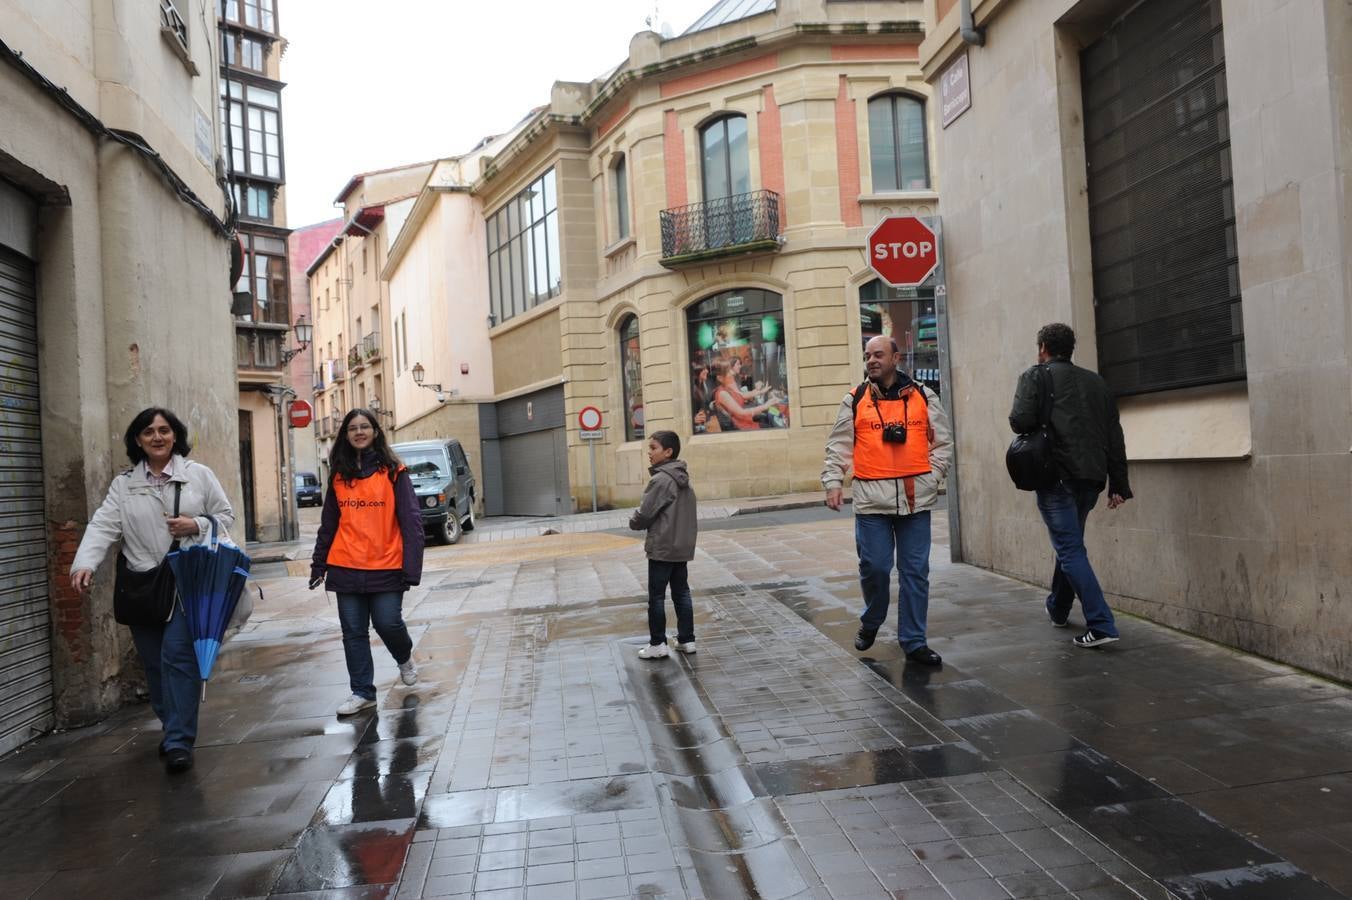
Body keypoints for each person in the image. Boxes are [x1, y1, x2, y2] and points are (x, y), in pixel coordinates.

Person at [69, 407, 233, 773]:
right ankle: (171, 722)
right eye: (148, 432)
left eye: (164, 430)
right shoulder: (124, 484)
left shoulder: (198, 476)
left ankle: (178, 741)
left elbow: (226, 516)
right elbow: (103, 525)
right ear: (138, 440)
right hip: (143, 584)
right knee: (155, 666)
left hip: (188, 583)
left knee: (178, 659)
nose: (157, 437)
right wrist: (84, 563)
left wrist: (197, 523)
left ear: (175, 435)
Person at [822, 336, 953, 665]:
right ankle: (872, 619)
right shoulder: (855, 399)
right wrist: (833, 482)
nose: (871, 360)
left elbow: (943, 443)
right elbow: (838, 445)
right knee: (875, 568)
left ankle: (914, 641)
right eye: (867, 355)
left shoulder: (924, 395)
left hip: (915, 502)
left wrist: (932, 477)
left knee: (915, 573)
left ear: (896, 357)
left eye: (878, 354)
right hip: (871, 505)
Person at [1009, 323, 1131, 648]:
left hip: (1055, 476)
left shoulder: (1035, 375)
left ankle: (1102, 623)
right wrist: (1119, 483)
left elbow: (1019, 420)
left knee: (1070, 548)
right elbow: (1114, 435)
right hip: (1091, 478)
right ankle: (1059, 607)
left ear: (1043, 348)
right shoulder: (1097, 382)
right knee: (1070, 543)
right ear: (1070, 349)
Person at [311, 408, 425, 715]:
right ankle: (362, 692)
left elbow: (411, 521)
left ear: (375, 431)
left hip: (387, 564)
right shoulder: (338, 474)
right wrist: (318, 564)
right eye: (352, 428)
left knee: (388, 623)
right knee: (353, 633)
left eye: (365, 427)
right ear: (346, 435)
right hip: (345, 565)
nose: (359, 432)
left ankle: (404, 657)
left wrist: (411, 568)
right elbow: (329, 523)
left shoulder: (393, 471)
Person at [628, 430, 698, 659]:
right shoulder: (683, 478)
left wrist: (633, 522)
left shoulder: (660, 480)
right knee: (682, 593)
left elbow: (645, 513)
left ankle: (658, 644)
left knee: (657, 597)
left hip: (662, 548)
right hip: (681, 547)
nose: (649, 452)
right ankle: (687, 640)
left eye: (654, 448)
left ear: (668, 451)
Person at [711, 358, 778, 431]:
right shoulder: (722, 393)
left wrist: (760, 391)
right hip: (740, 426)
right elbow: (742, 412)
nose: (732, 372)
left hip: (743, 420)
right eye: (728, 371)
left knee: (768, 420)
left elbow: (742, 395)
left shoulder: (728, 385)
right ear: (720, 378)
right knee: (771, 426)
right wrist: (765, 406)